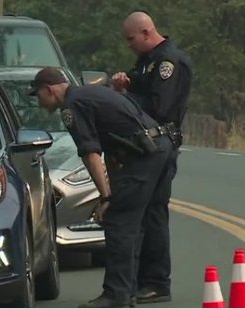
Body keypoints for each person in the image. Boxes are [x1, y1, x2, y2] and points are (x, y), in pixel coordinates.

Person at [27, 67, 173, 308]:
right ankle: (149, 285)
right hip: (159, 146)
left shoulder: (72, 107)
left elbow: (91, 153)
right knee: (147, 218)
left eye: (38, 95)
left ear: (50, 89)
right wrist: (111, 192)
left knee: (119, 222)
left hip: (144, 155)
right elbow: (111, 149)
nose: (39, 102)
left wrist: (105, 198)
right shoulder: (90, 94)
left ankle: (117, 294)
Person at [111, 11, 193, 305]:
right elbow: (139, 87)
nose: (128, 45)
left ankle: (157, 282)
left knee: (154, 213)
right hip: (146, 146)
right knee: (148, 213)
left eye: (131, 39)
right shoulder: (147, 61)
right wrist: (124, 85)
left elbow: (160, 107)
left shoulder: (168, 62)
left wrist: (124, 100)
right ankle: (147, 280)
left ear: (146, 33)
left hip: (160, 143)